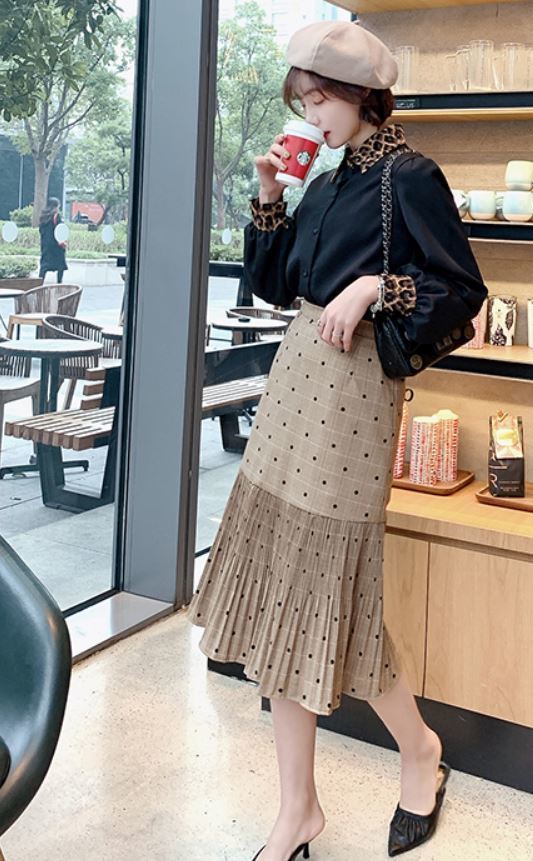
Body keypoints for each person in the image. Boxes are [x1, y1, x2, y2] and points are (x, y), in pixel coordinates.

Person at [188, 20, 487, 861]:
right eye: (304, 104)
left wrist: (374, 287)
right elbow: (277, 283)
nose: (311, 117)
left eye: (318, 100)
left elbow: (461, 290)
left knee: (328, 591)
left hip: (353, 400)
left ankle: (413, 754)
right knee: (287, 589)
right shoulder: (324, 180)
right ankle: (301, 808)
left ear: (360, 95)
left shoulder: (410, 176)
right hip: (295, 384)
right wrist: (270, 198)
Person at [38, 197, 68, 283]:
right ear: (56, 206)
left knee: (44, 266)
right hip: (56, 246)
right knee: (60, 266)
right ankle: (59, 284)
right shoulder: (56, 216)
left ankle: (39, 284)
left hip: (46, 246)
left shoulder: (43, 217)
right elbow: (60, 230)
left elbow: (41, 230)